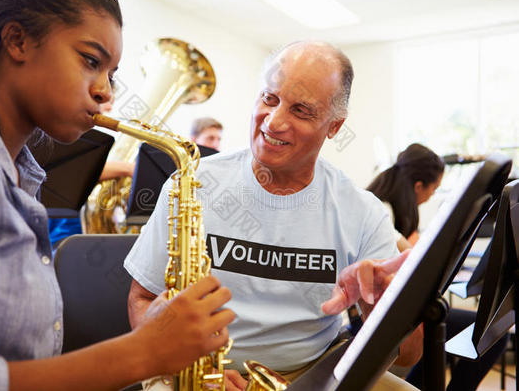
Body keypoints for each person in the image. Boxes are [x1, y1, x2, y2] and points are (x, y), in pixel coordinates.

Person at [0, 0, 235, 390]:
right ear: (17, 41)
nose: (106, 92)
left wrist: (156, 341)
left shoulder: (18, 172)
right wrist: (143, 352)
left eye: (111, 75)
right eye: (90, 61)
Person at [125, 41, 423, 391]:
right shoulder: (189, 183)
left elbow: (408, 355)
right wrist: (191, 369)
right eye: (269, 98)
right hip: (193, 368)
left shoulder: (363, 211)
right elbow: (142, 299)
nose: (275, 121)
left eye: (301, 110)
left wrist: (381, 302)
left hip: (313, 373)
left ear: (334, 126)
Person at [367, 143, 509, 391]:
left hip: (396, 310)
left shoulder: (391, 209)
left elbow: (411, 250)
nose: (432, 196)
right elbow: (408, 259)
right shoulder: (380, 211)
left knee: (473, 332)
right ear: (418, 186)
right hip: (374, 318)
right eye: (434, 189)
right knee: (488, 334)